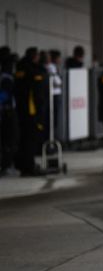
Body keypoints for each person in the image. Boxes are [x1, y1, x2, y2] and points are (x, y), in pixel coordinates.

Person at [14, 47, 47, 176]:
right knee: (30, 140)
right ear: (35, 57)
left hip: (20, 111)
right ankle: (29, 167)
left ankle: (23, 166)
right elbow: (38, 94)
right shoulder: (33, 72)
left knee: (23, 139)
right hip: (31, 112)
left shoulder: (19, 69)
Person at [0, 48, 19, 176]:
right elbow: (4, 96)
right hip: (7, 112)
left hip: (6, 111)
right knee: (10, 139)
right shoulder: (6, 78)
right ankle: (6, 166)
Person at [47, 50, 63, 140]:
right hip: (54, 95)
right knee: (53, 119)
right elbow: (57, 82)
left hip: (55, 94)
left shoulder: (55, 67)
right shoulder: (51, 67)